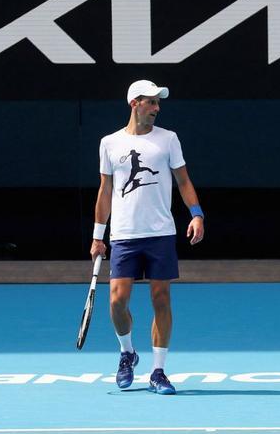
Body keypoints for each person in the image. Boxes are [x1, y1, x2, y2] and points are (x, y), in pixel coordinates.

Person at [90, 79, 205, 395]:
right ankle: (127, 352)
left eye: (158, 103)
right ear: (134, 103)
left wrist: (197, 214)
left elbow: (183, 181)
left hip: (160, 234)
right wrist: (98, 236)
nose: (156, 108)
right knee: (117, 302)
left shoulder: (168, 140)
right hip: (124, 235)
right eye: (151, 102)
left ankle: (158, 371)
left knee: (161, 299)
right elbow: (105, 190)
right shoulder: (109, 143)